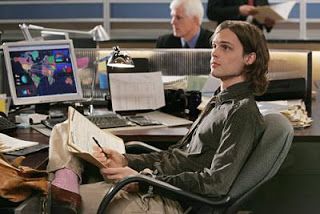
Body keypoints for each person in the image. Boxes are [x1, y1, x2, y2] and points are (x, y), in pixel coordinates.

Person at [47, 20, 269, 213]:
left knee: (42, 201)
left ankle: (65, 190)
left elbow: (216, 184)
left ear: (249, 58)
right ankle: (66, 187)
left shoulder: (241, 112)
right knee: (65, 128)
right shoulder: (219, 100)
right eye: (214, 45)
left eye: (226, 47)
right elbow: (175, 156)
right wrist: (126, 161)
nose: (215, 52)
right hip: (153, 184)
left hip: (167, 200)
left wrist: (143, 182)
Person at [207, 0, 275, 32]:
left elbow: (265, 9)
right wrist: (238, 10)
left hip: (256, 40)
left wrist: (268, 24)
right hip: (230, 35)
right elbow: (211, 12)